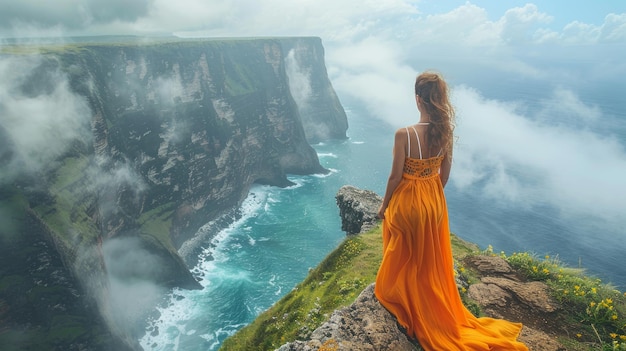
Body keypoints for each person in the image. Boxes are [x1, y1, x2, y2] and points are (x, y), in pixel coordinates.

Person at [374, 71, 528, 350]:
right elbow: (444, 176)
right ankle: (432, 305)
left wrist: (384, 205)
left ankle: (408, 302)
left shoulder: (404, 134)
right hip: (433, 200)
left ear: (418, 99)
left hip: (408, 202)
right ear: (439, 99)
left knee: (402, 250)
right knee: (429, 261)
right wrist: (430, 196)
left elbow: (394, 178)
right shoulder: (445, 131)